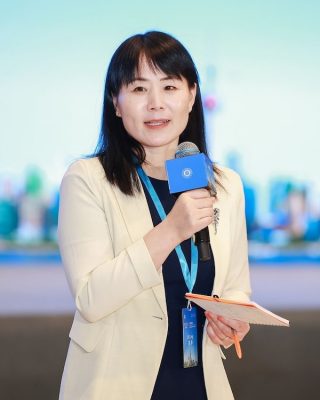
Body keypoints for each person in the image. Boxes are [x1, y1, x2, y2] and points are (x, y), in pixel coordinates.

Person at [58, 31, 251, 400]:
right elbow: (91, 300)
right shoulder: (87, 180)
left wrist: (233, 320)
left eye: (170, 87)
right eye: (139, 89)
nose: (156, 104)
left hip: (201, 384)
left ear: (192, 96)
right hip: (114, 385)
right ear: (116, 103)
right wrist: (171, 230)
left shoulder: (226, 186)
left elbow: (236, 286)